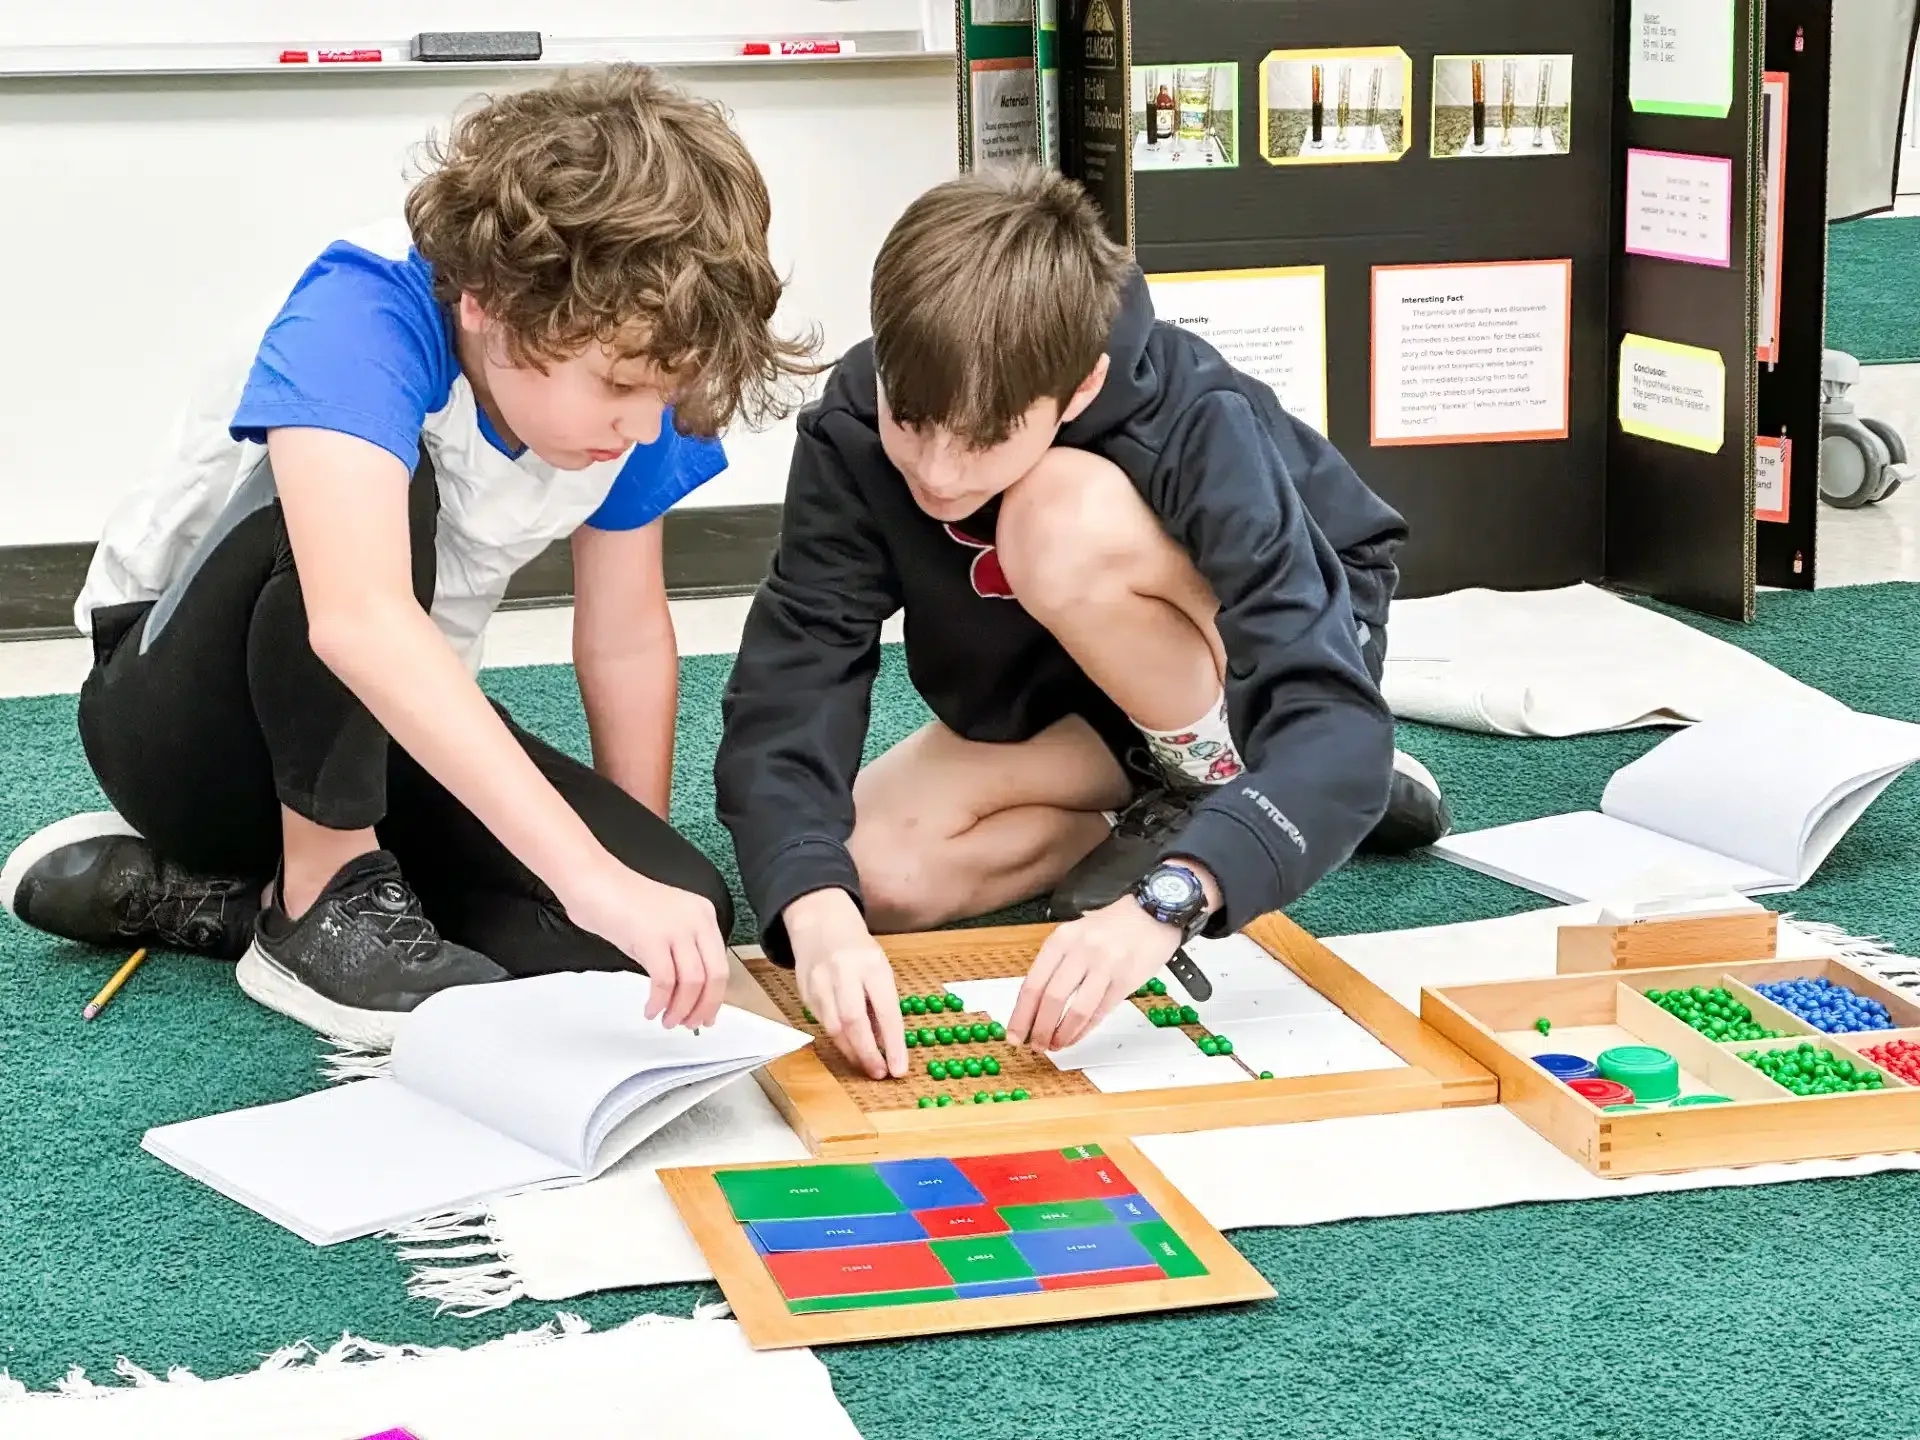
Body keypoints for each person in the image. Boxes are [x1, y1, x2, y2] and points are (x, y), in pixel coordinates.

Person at [0, 66, 818, 1046]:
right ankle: (318, 900)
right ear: (490, 303)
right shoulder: (364, 309)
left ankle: (231, 901)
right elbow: (357, 617)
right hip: (180, 722)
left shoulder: (645, 386)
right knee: (387, 501)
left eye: (665, 395)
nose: (645, 427)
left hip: (371, 735)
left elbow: (628, 636)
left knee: (672, 915)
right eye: (618, 385)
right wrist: (589, 874)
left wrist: (623, 865)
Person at [713, 163, 1448, 1080]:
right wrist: (816, 912)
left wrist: (1172, 899)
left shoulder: (1192, 415)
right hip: (1081, 700)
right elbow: (797, 670)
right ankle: (1177, 806)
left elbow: (1333, 719)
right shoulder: (855, 425)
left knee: (1056, 515)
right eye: (915, 419)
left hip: (1244, 662)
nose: (937, 473)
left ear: (1081, 389)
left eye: (986, 437)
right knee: (872, 878)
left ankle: (1241, 780)